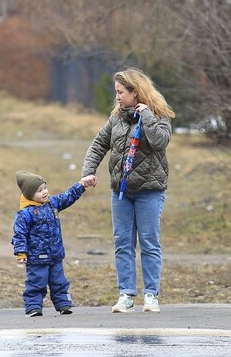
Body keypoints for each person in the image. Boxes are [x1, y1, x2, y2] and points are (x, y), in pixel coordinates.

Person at [80, 68, 175, 314]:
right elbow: (99, 144)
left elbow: (160, 142)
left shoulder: (159, 114)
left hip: (150, 190)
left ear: (136, 92)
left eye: (121, 92)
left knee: (149, 243)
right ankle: (126, 295)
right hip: (121, 191)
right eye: (117, 92)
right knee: (122, 243)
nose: (118, 97)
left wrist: (147, 117)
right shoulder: (117, 118)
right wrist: (88, 172)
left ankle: (151, 295)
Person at [12, 170, 90, 317]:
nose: (44, 192)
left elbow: (67, 197)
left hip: (55, 255)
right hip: (36, 258)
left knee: (59, 282)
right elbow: (19, 234)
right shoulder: (25, 214)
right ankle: (33, 307)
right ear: (29, 195)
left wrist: (81, 185)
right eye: (39, 191)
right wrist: (20, 252)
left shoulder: (52, 204)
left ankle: (63, 304)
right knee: (36, 283)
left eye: (45, 188)